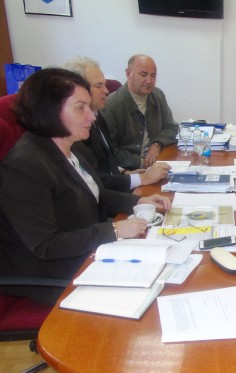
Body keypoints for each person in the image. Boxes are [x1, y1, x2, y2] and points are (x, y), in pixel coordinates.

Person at [0, 68, 171, 304]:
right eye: (81, 108)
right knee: (155, 291)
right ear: (49, 111)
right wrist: (114, 230)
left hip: (89, 249)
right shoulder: (25, 166)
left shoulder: (72, 147)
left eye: (89, 107)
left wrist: (138, 200)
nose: (92, 116)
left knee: (167, 259)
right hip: (52, 270)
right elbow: (46, 245)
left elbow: (94, 194)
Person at [64, 56, 171, 192]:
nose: (106, 91)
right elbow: (94, 180)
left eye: (153, 75)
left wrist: (125, 173)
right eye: (98, 86)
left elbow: (107, 163)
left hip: (118, 184)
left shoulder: (97, 116)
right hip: (108, 195)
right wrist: (140, 178)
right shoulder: (74, 132)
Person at [103, 54, 178, 170]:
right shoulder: (111, 105)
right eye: (143, 75)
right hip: (130, 170)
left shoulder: (158, 95)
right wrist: (142, 163)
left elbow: (171, 127)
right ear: (128, 73)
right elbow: (110, 150)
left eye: (153, 76)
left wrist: (157, 144)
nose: (149, 81)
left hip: (159, 160)